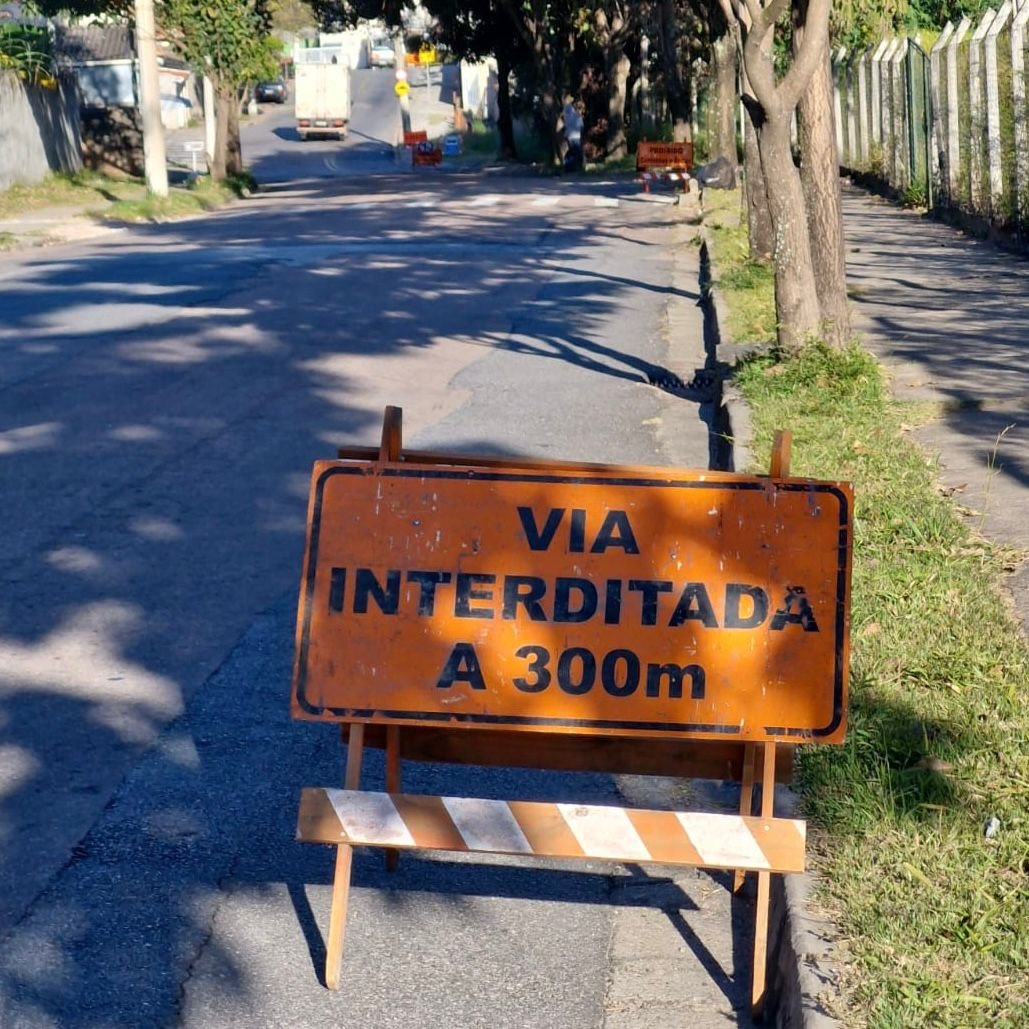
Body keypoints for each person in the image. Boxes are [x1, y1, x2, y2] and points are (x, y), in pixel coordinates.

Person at [563, 99, 583, 172]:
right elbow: (581, 126)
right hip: (576, 136)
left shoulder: (567, 117)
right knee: (576, 152)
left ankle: (569, 165)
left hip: (569, 136)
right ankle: (575, 167)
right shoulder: (576, 116)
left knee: (572, 151)